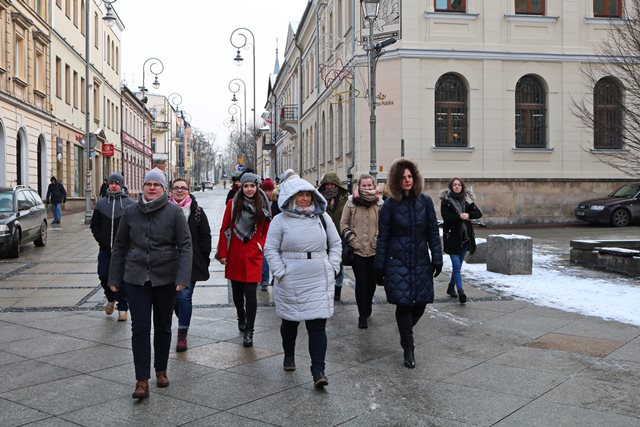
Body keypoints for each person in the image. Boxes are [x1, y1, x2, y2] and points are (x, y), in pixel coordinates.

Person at [108, 168, 192, 400]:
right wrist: (114, 278)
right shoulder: (130, 211)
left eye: (157, 184)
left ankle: (161, 369)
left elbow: (185, 246)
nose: (152, 187)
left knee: (163, 326)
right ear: (143, 187)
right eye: (148, 184)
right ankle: (142, 380)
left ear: (164, 188)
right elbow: (120, 246)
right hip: (136, 278)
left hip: (165, 278)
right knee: (140, 328)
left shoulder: (174, 212)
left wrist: (182, 278)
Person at [264, 174, 341, 388]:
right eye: (300, 195)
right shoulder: (280, 220)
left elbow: (336, 243)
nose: (305, 199)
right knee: (290, 323)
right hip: (291, 278)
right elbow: (270, 249)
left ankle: (318, 371)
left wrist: (333, 267)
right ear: (291, 197)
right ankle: (289, 354)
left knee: (317, 325)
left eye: (308, 194)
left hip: (318, 277)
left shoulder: (322, 218)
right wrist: (280, 272)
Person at [375, 158, 443, 369]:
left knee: (421, 303)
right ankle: (409, 348)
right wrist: (380, 265)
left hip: (420, 259)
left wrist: (437, 258)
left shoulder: (425, 201)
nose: (407, 180)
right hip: (397, 260)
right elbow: (383, 236)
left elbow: (433, 232)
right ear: (396, 180)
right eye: (403, 177)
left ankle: (405, 332)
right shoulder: (389, 205)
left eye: (410, 176)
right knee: (403, 304)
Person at [216, 172, 270, 347]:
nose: (249, 189)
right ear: (241, 187)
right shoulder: (233, 204)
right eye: (246, 186)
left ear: (257, 186)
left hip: (254, 253)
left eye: (252, 186)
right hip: (235, 253)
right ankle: (241, 315)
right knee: (238, 294)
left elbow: (266, 228)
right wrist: (222, 253)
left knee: (251, 293)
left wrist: (261, 244)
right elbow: (225, 228)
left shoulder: (263, 204)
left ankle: (249, 331)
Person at [169, 178, 212, 352]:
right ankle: (183, 316)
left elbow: (205, 237)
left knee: (185, 296)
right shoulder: (164, 210)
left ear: (188, 191)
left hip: (190, 262)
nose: (179, 190)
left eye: (183, 188)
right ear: (171, 191)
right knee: (173, 298)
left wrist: (203, 259)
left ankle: (182, 333)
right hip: (167, 262)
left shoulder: (197, 212)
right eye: (176, 188)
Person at [340, 173, 383, 329]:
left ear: (373, 185)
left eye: (369, 185)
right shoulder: (351, 202)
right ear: (359, 186)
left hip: (374, 251)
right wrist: (353, 240)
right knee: (361, 283)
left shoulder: (380, 203)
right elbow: (343, 224)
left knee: (371, 284)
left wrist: (377, 240)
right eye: (363, 185)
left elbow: (383, 225)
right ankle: (362, 315)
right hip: (357, 251)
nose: (366, 188)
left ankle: (368, 305)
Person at [90, 173, 135, 321]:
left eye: (116, 183)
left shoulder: (130, 204)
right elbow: (94, 225)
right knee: (103, 275)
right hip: (105, 249)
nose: (114, 185)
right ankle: (110, 298)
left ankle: (123, 307)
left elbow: (136, 226)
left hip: (123, 251)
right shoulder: (101, 204)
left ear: (121, 184)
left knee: (122, 278)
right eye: (111, 183)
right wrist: (101, 240)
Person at [440, 177, 482, 304]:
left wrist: (468, 215)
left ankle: (450, 287)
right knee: (457, 265)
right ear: (451, 187)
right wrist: (460, 217)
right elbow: (446, 217)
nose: (457, 186)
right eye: (454, 184)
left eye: (459, 184)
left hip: (465, 238)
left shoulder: (467, 199)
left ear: (462, 186)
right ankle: (460, 291)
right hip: (452, 238)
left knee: (458, 266)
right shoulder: (446, 201)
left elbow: (478, 213)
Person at [318, 172, 349, 301]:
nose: (329, 187)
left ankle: (337, 290)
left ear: (337, 185)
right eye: (327, 185)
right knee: (324, 264)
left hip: (340, 237)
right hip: (322, 237)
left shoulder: (345, 199)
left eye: (332, 184)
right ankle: (325, 289)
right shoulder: (319, 199)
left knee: (339, 265)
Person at [259, 178, 276, 291]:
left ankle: (275, 278)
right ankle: (264, 281)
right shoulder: (260, 202)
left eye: (270, 190)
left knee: (275, 258)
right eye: (265, 190)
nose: (267, 193)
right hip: (264, 234)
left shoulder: (277, 202)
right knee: (264, 258)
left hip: (275, 234)